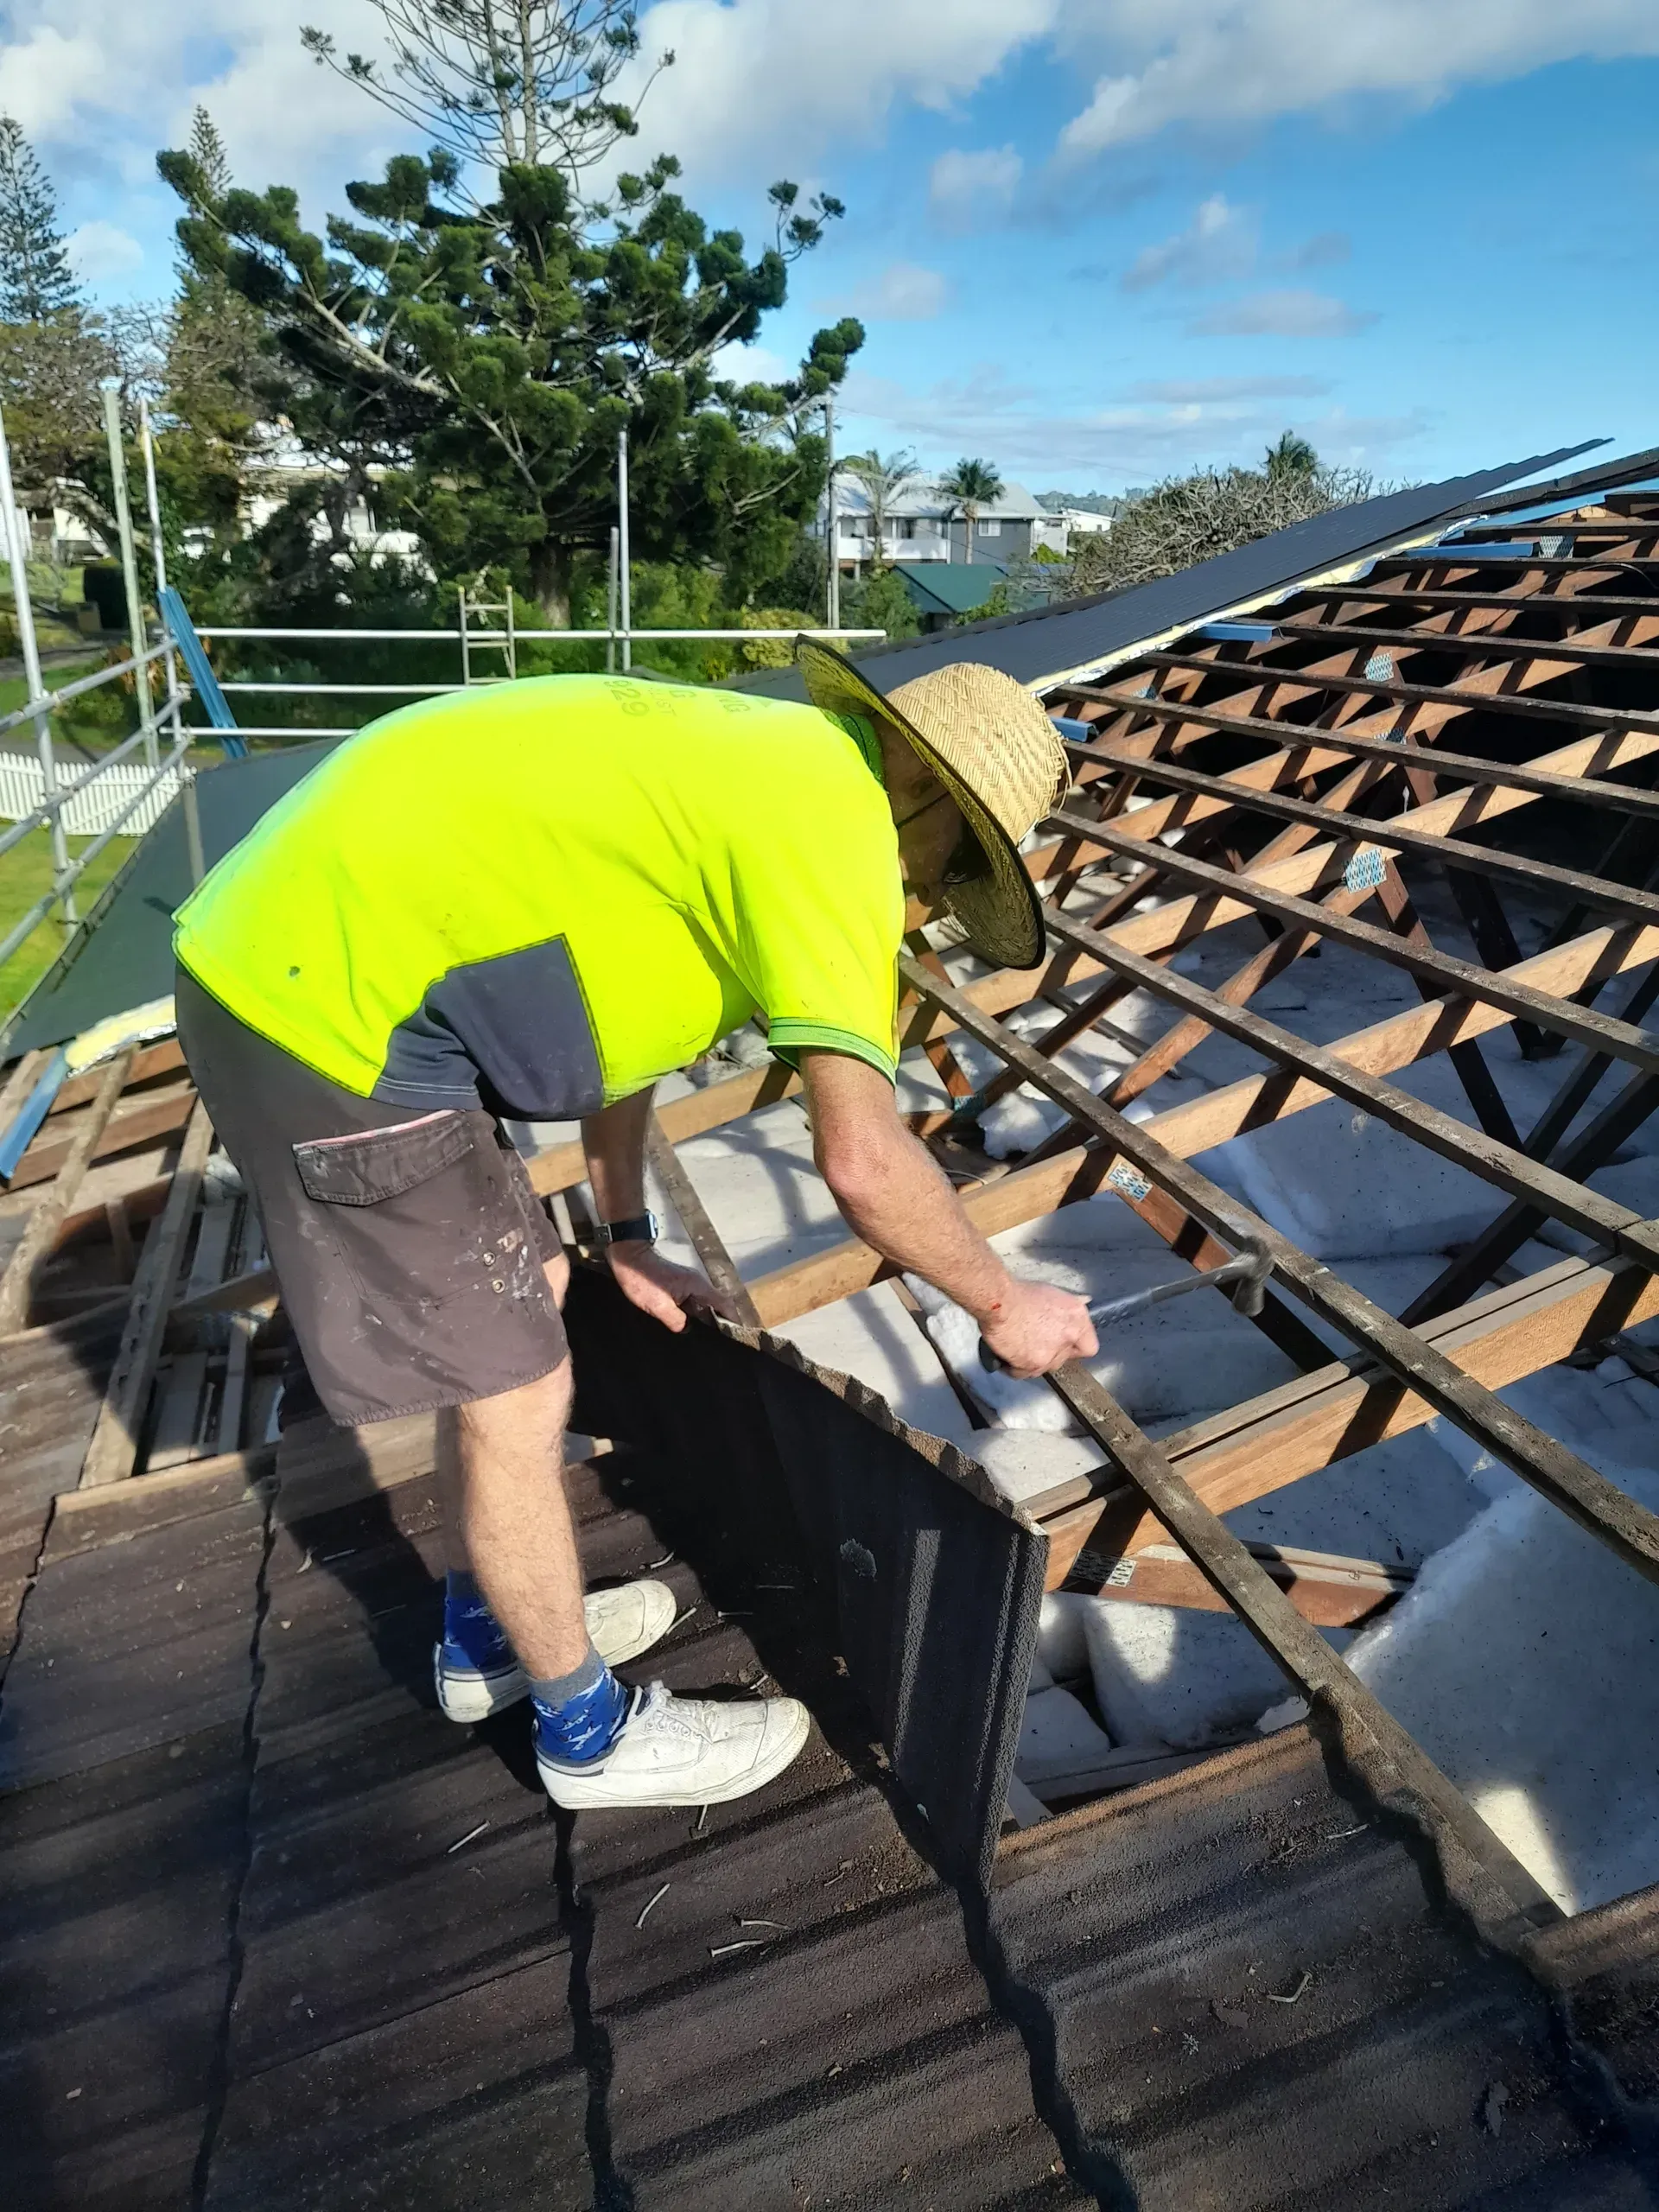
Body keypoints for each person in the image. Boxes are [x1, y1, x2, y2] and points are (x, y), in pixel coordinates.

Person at [172, 642, 1098, 1813]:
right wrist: (1007, 1304)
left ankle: (491, 1635)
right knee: (515, 1389)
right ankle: (586, 1732)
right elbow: (865, 1161)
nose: (917, 922)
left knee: (524, 1308)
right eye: (941, 887)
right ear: (925, 803)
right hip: (324, 1016)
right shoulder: (839, 837)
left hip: (313, 969)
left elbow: (625, 1024)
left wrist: (625, 1229)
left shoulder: (768, 770)